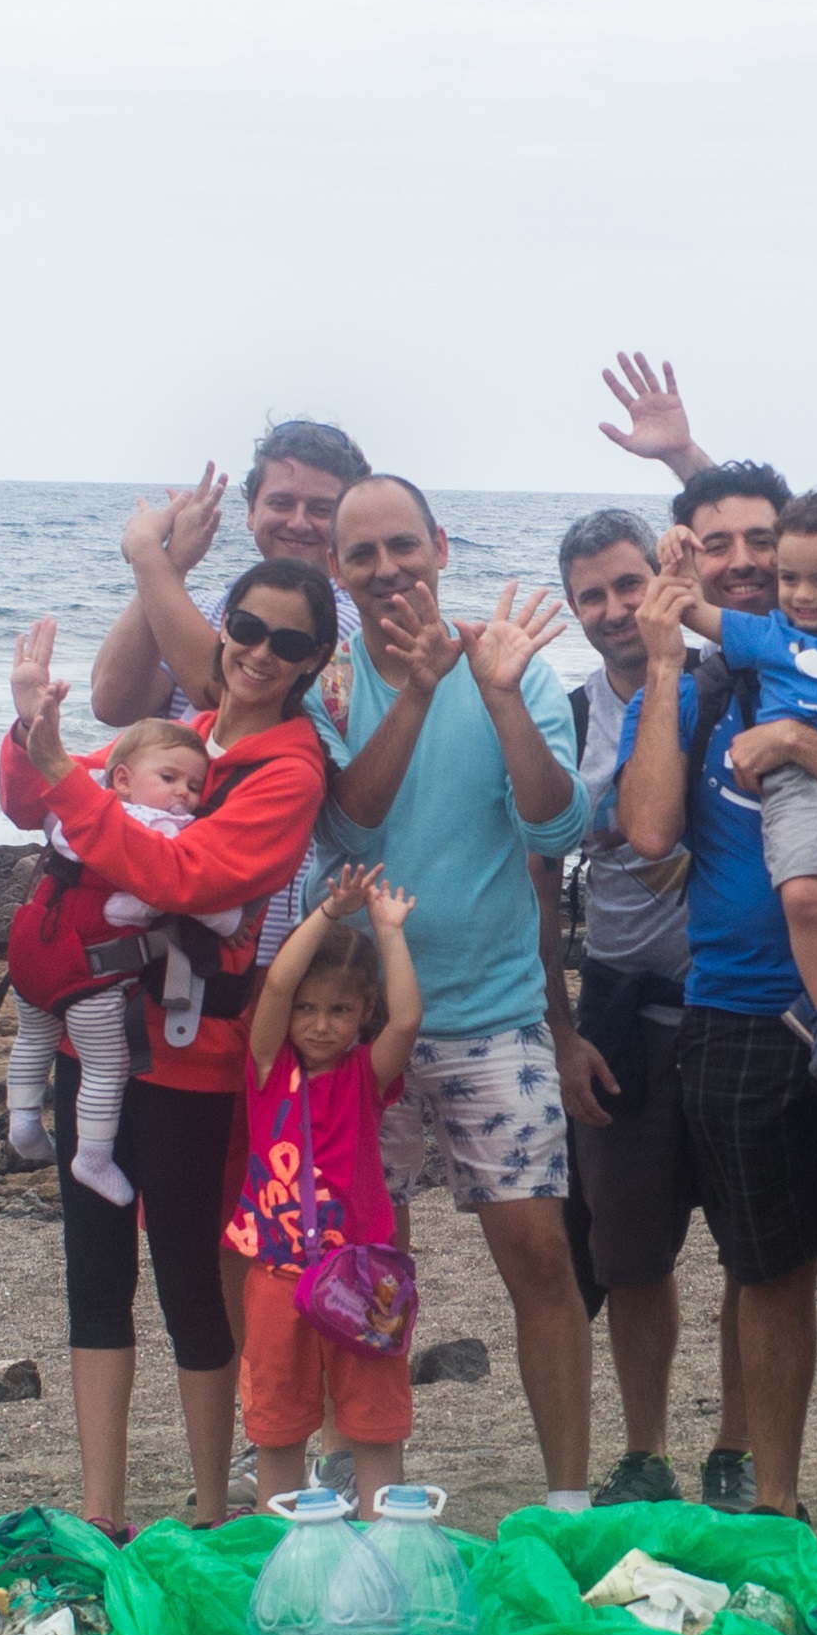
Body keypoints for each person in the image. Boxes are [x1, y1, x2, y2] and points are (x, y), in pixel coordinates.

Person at [607, 469, 817, 1565]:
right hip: (735, 1011)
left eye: (765, 539)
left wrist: (800, 748)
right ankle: (779, 1500)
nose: (744, 558)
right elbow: (648, 830)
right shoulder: (704, 682)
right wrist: (661, 664)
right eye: (721, 544)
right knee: (765, 1265)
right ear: (691, 559)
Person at [6, 562, 338, 1529]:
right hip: (91, 1030)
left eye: (289, 642)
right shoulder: (180, 740)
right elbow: (41, 802)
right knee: (94, 1267)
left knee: (191, 1274)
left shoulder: (290, 772)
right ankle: (101, 1510)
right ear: (223, 625)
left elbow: (181, 872)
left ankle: (209, 1509)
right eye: (247, 626)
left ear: (315, 659)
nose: (260, 652)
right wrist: (34, 729)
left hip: (191, 1060)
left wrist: (71, 776)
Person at [305, 474, 598, 1507]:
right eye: (361, 553)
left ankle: (565, 1495)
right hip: (358, 1024)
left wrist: (501, 693)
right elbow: (347, 827)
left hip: (492, 1014)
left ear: (438, 544)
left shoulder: (512, 664)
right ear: (335, 570)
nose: (386, 569)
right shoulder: (327, 684)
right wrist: (420, 689)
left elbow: (557, 831)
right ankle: (354, 1475)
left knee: (537, 1254)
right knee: (359, 1258)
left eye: (401, 545)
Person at [551, 507, 733, 1506]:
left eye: (629, 584)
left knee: (757, 1250)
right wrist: (561, 1029)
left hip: (739, 999)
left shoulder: (720, 679)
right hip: (620, 1001)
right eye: (592, 594)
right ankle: (645, 1445)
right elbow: (538, 870)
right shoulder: (567, 712)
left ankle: (738, 1445)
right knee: (627, 1254)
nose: (614, 609)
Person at [669, 484, 817, 1080]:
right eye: (789, 579)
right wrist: (672, 556)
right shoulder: (771, 634)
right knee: (803, 894)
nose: (802, 595)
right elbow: (690, 608)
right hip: (795, 786)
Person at [229, 874, 425, 1503]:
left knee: (374, 1428)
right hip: (277, 1277)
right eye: (308, 1010)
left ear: (362, 1013)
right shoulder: (268, 1068)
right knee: (277, 1432)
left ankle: (383, 1547)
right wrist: (327, 912)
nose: (319, 1025)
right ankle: (273, 1556)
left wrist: (389, 933)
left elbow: (408, 1017)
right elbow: (279, 982)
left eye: (339, 1011)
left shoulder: (365, 1077)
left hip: (363, 1278)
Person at [0, 720, 216, 1201]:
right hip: (89, 971)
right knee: (107, 1065)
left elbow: (47, 813)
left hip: (32, 951)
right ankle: (92, 1157)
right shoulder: (159, 831)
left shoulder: (78, 806)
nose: (183, 793)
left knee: (33, 1037)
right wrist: (228, 919)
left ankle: (23, 1123)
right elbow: (159, 893)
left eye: (194, 786)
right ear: (122, 778)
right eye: (169, 778)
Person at [91, 418, 366, 727]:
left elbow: (220, 692)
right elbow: (112, 705)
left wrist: (146, 551)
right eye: (281, 503)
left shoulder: (356, 620)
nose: (298, 522)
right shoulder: (202, 607)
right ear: (251, 511)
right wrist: (174, 564)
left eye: (321, 510)